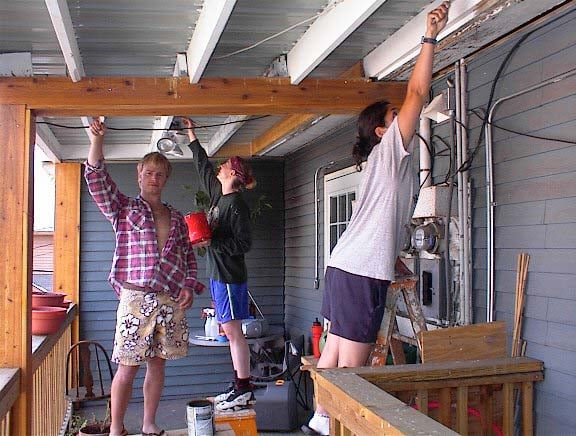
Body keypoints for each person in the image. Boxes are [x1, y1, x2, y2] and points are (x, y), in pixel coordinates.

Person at [301, 3, 451, 435]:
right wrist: (430, 36)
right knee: (354, 365)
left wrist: (393, 257)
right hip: (360, 271)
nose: (406, 120)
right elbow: (417, 95)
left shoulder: (384, 169)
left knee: (332, 356)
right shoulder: (389, 154)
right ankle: (337, 425)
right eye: (395, 117)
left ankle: (321, 421)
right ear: (383, 133)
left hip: (347, 266)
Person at [85, 118, 205, 436]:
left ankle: (149, 423)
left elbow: (188, 259)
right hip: (135, 297)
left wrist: (190, 286)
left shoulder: (177, 219)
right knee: (127, 365)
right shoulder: (123, 209)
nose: (154, 178)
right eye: (149, 173)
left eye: (160, 174)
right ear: (140, 175)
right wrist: (97, 141)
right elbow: (97, 179)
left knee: (158, 364)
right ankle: (116, 428)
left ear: (166, 179)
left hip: (168, 300)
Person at [182, 117, 257, 412]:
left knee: (232, 331)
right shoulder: (219, 197)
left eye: (225, 165)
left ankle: (243, 387)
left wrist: (210, 242)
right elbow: (202, 168)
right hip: (219, 276)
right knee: (229, 330)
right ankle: (240, 383)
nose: (220, 166)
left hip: (229, 277)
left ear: (233, 173)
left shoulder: (236, 205)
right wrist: (191, 134)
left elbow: (243, 244)